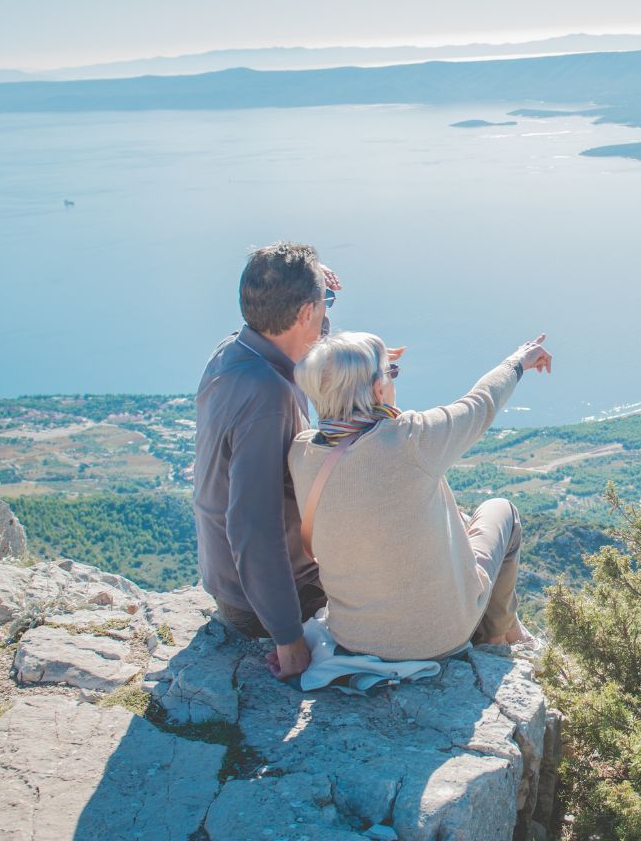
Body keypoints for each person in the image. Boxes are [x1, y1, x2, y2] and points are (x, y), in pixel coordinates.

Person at [289, 331, 553, 661]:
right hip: (439, 638)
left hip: (354, 637)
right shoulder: (411, 439)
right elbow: (481, 402)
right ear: (376, 389)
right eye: (391, 373)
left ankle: (508, 631)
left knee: (453, 517)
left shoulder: (301, 453)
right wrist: (519, 359)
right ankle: (497, 639)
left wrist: (355, 362)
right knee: (503, 512)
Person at [191, 242, 334, 680]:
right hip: (266, 603)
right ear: (305, 313)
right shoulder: (268, 398)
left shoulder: (233, 352)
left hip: (232, 582)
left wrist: (320, 295)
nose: (327, 316)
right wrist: (288, 638)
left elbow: (307, 331)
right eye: (322, 306)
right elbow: (253, 525)